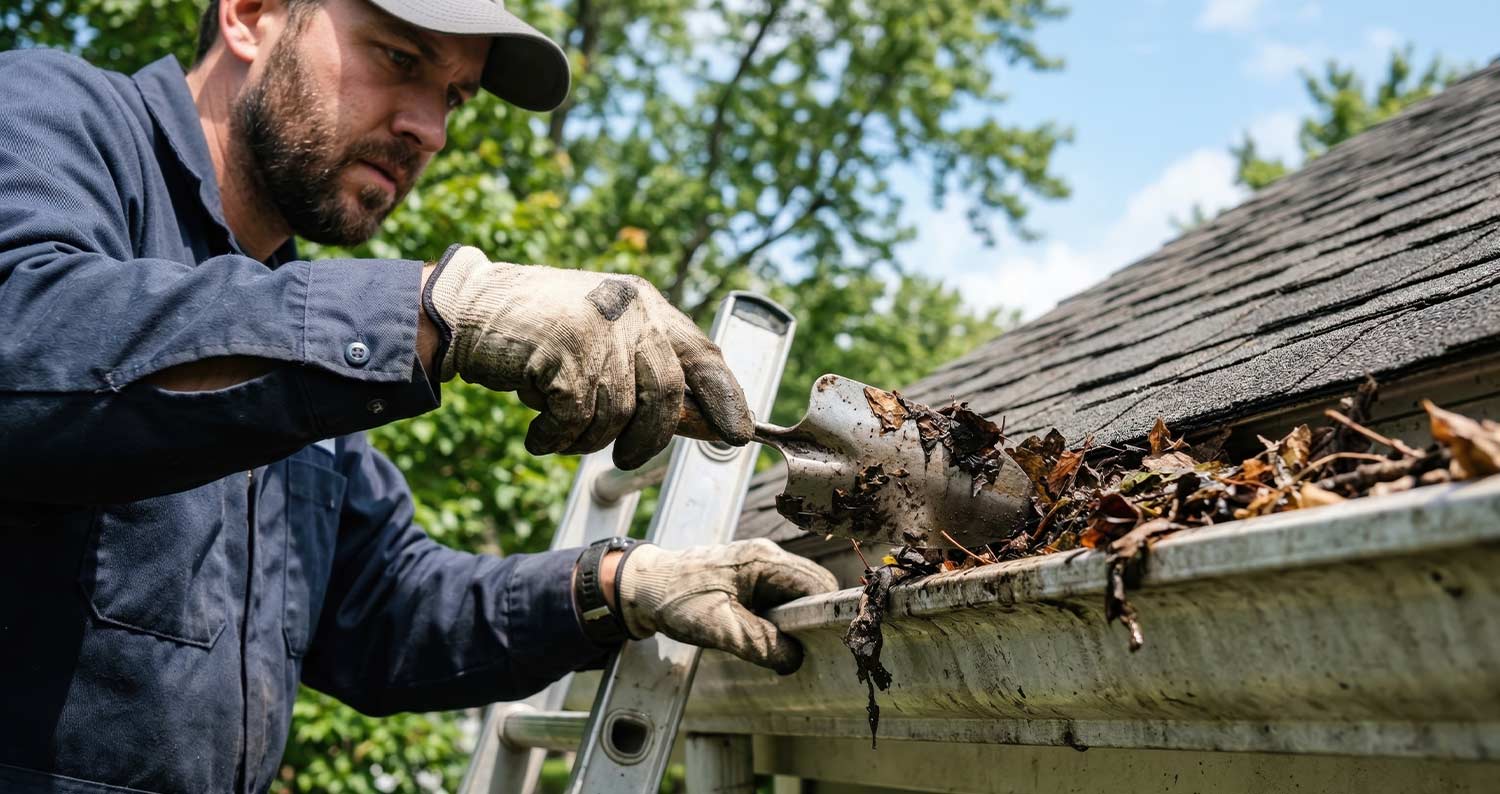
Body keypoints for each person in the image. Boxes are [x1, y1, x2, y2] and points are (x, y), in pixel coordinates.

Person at [0, 0, 838, 791]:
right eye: (399, 58)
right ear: (251, 14)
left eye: (455, 96)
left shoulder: (298, 348)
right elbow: (29, 341)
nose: (428, 129)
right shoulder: (47, 114)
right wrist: (432, 313)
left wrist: (620, 586)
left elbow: (383, 611)